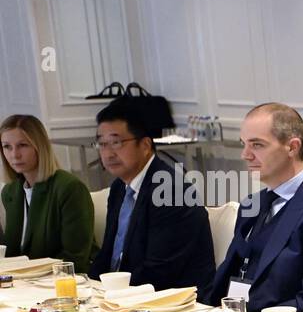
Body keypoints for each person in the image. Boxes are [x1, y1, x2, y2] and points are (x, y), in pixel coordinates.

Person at [206, 103, 303, 312]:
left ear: (292, 147)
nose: (245, 155)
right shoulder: (251, 205)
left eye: (257, 145)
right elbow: (231, 275)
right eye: (243, 144)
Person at [88, 98, 214, 288]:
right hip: (125, 295)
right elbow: (108, 255)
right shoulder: (119, 188)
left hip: (170, 302)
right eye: (102, 144)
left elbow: (159, 271)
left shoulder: (171, 191)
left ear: (146, 146)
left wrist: (112, 292)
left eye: (116, 142)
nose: (108, 154)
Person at [1, 114, 95, 271]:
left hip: (66, 281)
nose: (14, 155)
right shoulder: (10, 192)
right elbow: (12, 253)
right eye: (7, 147)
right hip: (24, 284)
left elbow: (75, 257)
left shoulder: (69, 188)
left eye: (23, 145)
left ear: (40, 146)